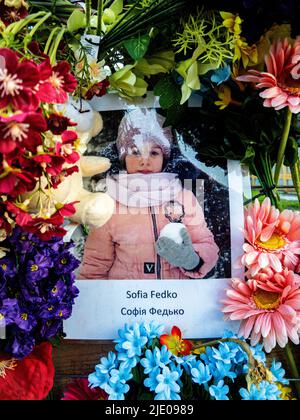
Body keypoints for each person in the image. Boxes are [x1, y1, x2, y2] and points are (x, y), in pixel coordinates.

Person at [78, 108, 219, 280]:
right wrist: (94, 301)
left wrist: (193, 261)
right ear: (123, 157)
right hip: (127, 301)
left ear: (164, 158)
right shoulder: (109, 204)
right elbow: (96, 264)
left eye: (154, 152)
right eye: (135, 151)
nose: (144, 160)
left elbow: (207, 244)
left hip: (178, 300)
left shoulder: (184, 198)